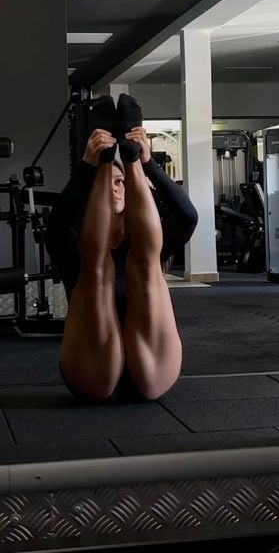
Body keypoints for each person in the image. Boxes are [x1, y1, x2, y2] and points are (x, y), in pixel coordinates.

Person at [45, 94, 198, 403]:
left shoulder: (153, 238)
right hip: (92, 366)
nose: (115, 189)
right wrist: (90, 167)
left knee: (146, 265)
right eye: (109, 183)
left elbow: (187, 216)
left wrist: (146, 163)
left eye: (121, 182)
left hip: (153, 366)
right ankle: (108, 159)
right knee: (96, 268)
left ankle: (126, 158)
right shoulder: (72, 241)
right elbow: (57, 225)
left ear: (130, 190)